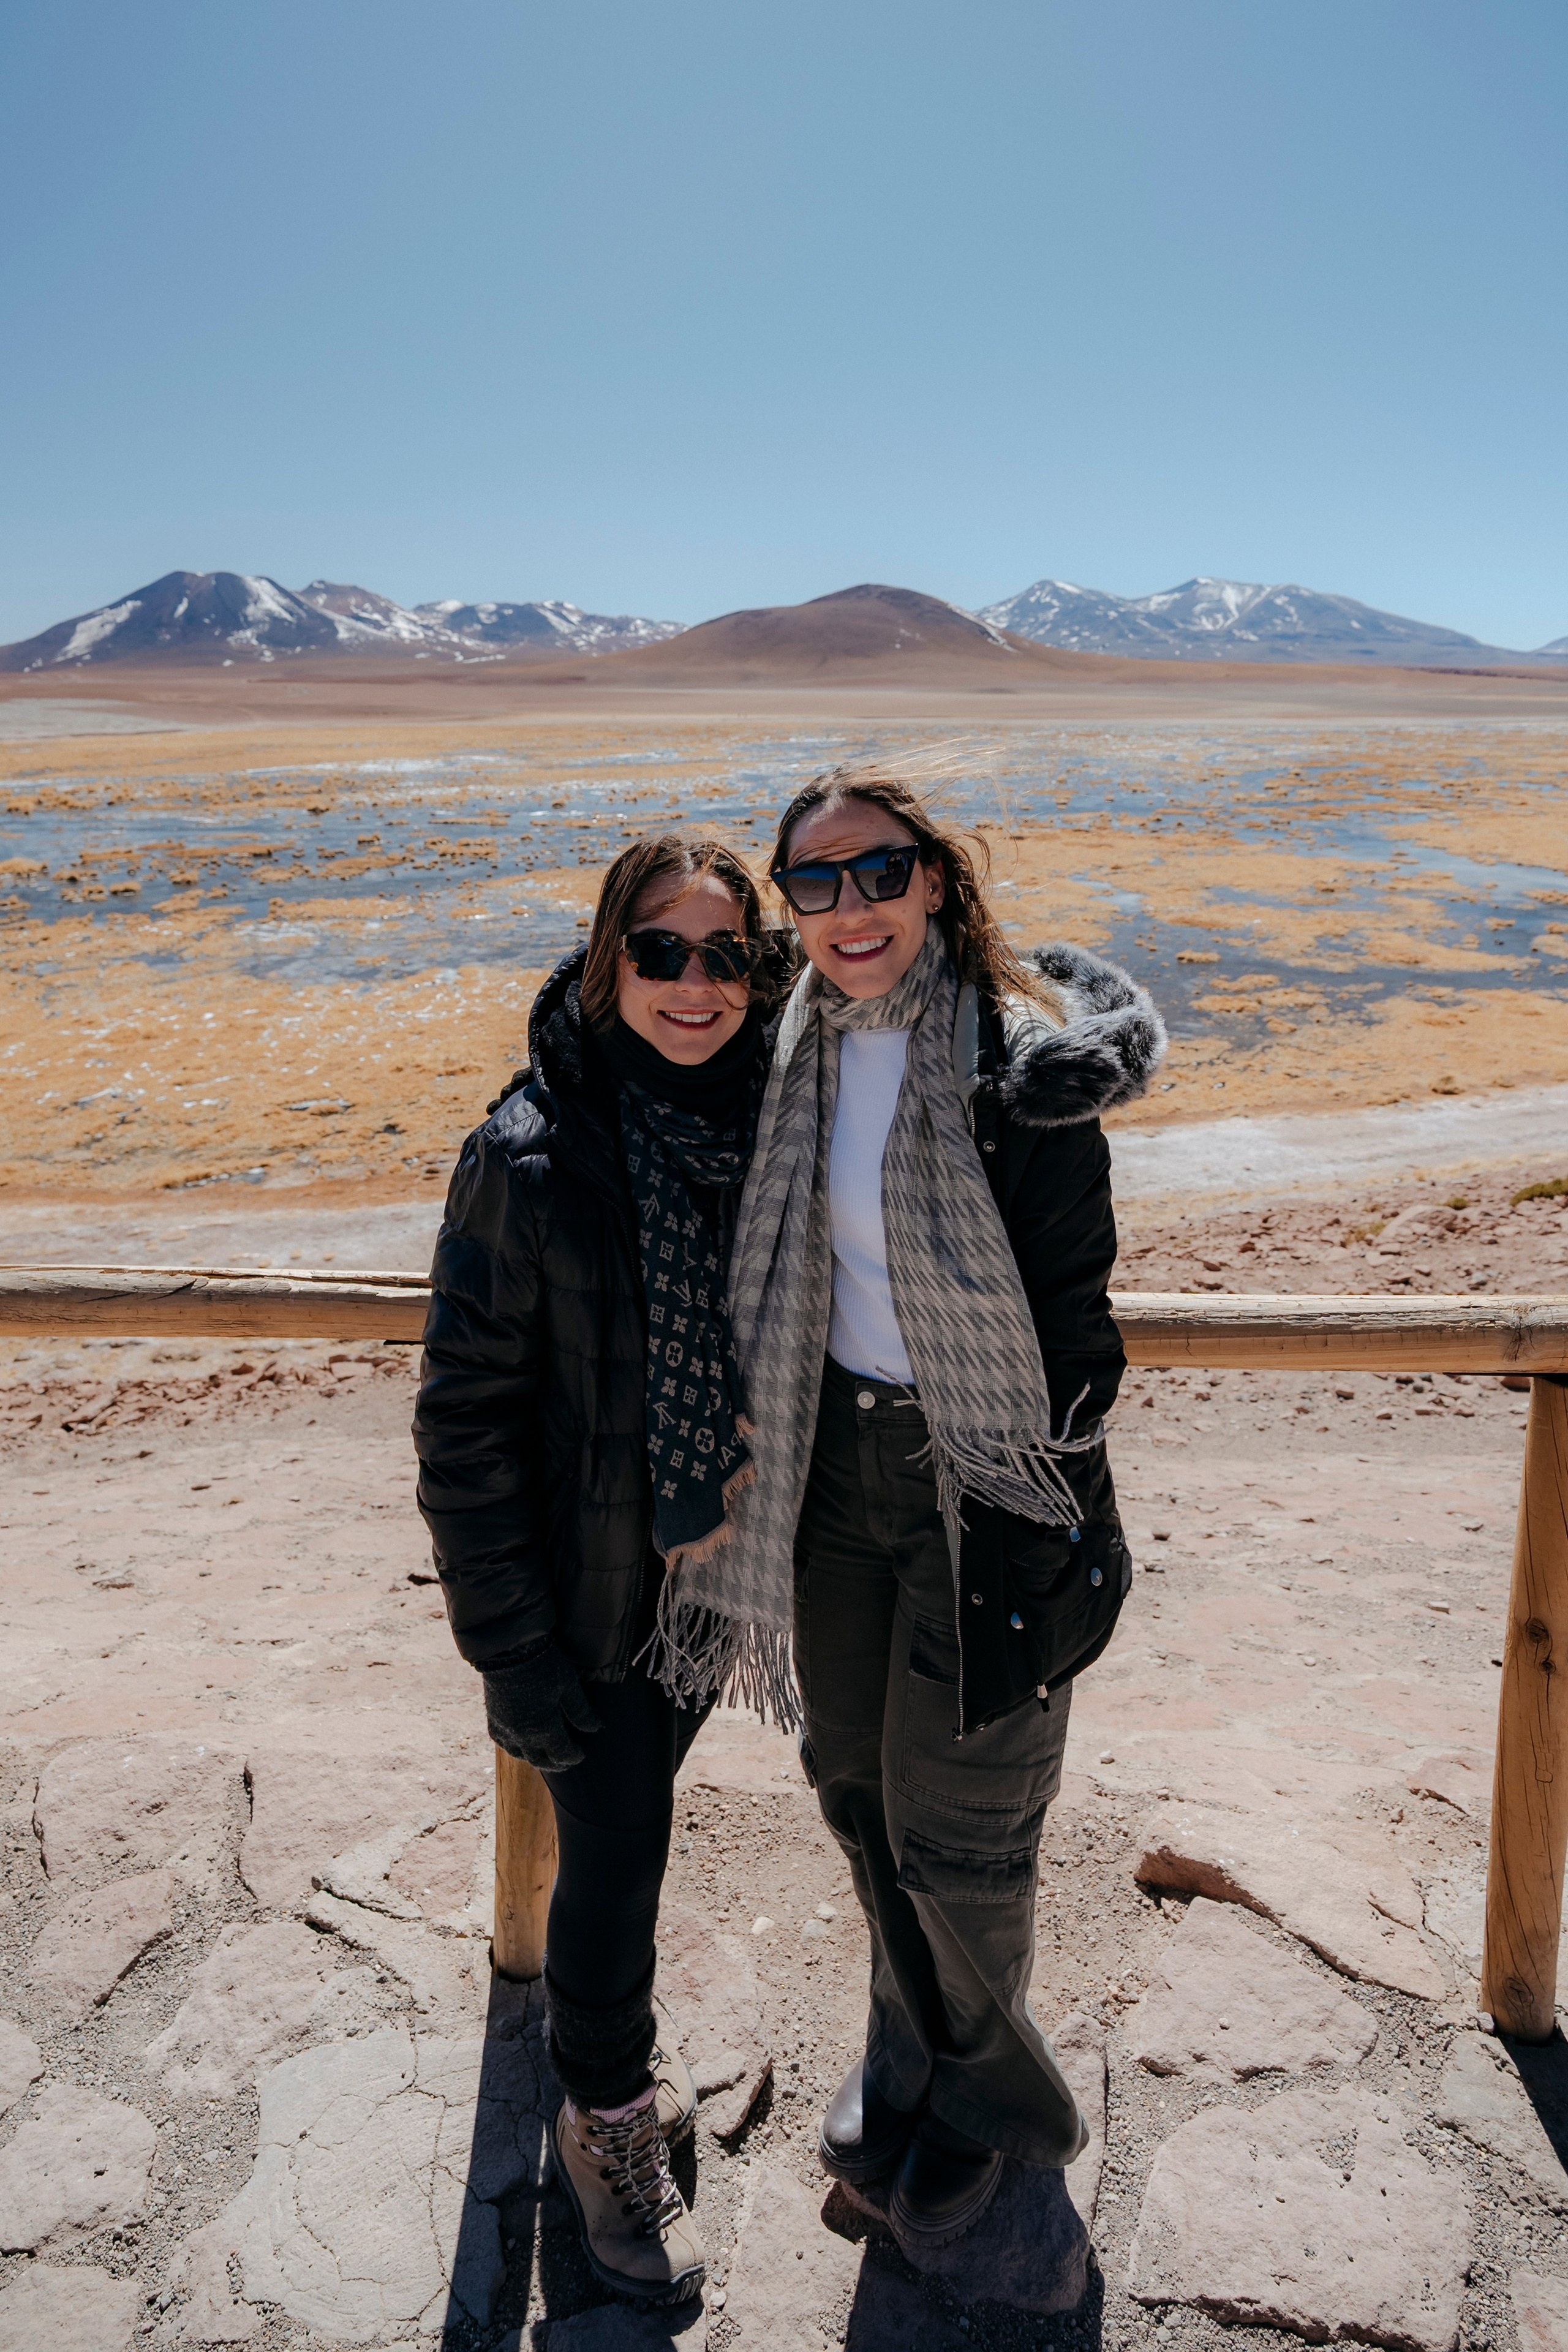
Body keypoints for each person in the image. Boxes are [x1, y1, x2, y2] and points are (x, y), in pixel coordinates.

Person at [651, 766, 1166, 2251]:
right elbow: (619, 1042)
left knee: (966, 1832)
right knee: (857, 1794)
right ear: (783, 915)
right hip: (825, 1481)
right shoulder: (780, 1047)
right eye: (809, 885)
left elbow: (1077, 1317)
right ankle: (909, 2055)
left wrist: (1030, 1478)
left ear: (932, 880)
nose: (848, 908)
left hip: (985, 1484)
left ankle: (991, 2105)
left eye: (875, 874)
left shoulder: (1018, 1071)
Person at [412, 836, 783, 2308]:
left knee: (636, 1827)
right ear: (603, 961)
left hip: (708, 1588)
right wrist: (511, 1654)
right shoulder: (530, 1153)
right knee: (618, 1852)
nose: (694, 988)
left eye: (727, 957)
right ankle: (603, 2126)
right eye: (660, 953)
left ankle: (603, 2087)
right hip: (583, 1609)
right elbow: (464, 1426)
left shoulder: (771, 1122)